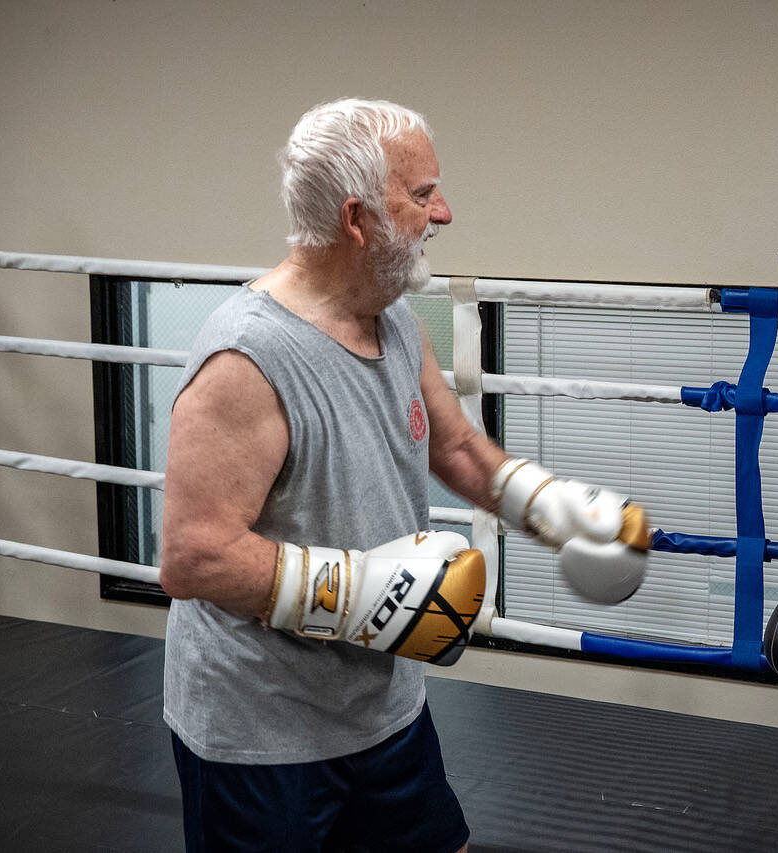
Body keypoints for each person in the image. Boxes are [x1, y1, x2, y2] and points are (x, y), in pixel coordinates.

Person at [160, 98, 649, 852]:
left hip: (382, 709)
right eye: (421, 195)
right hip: (261, 731)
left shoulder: (393, 320)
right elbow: (193, 554)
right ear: (357, 218)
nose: (444, 212)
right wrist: (361, 594)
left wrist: (554, 507)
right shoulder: (246, 359)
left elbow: (453, 447)